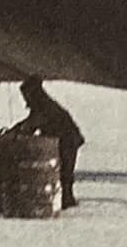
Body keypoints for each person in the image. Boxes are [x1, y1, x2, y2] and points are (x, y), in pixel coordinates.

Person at [12, 77, 85, 208]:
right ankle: (66, 199)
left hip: (68, 139)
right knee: (64, 170)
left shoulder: (44, 105)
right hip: (64, 139)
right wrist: (16, 129)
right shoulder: (40, 104)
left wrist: (18, 131)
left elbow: (33, 123)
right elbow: (30, 121)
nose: (25, 98)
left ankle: (67, 199)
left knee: (65, 171)